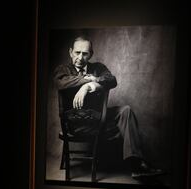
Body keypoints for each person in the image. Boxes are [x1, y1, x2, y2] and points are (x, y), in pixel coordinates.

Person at [53, 36, 164, 179]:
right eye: (77, 52)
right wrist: (86, 81)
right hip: (77, 124)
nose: (80, 57)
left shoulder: (98, 68)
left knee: (126, 111)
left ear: (91, 54)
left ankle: (136, 165)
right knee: (107, 117)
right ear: (70, 52)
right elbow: (60, 83)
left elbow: (112, 80)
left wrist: (92, 85)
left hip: (99, 120)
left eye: (85, 53)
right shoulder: (63, 70)